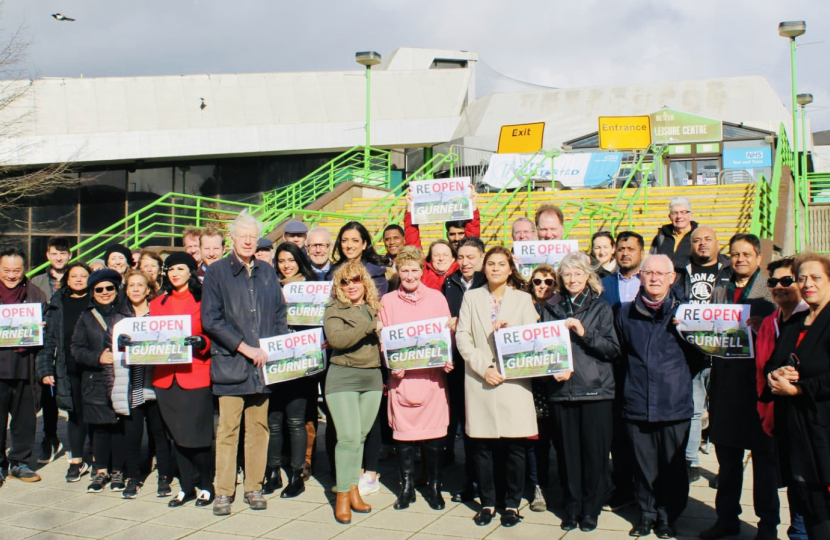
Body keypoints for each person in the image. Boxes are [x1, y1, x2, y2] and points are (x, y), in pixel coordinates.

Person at [202, 210, 288, 515]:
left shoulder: (266, 272)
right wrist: (245, 348)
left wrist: (277, 347)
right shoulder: (216, 273)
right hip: (231, 363)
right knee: (227, 429)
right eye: (243, 236)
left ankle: (254, 486)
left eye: (253, 236)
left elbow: (279, 315)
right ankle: (223, 491)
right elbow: (210, 320)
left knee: (258, 428)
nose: (249, 241)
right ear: (232, 240)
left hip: (262, 368)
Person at [455, 246, 539, 528]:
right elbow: (463, 337)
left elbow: (532, 340)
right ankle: (488, 502)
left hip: (513, 381)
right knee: (483, 447)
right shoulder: (471, 297)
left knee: (515, 447)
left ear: (509, 269)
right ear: (483, 267)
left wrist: (510, 332)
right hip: (481, 380)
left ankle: (512, 504)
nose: (495, 268)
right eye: (490, 263)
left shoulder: (524, 299)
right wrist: (484, 367)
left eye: (501, 264)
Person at [702, 233, 778, 540]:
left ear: (759, 258)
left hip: (758, 389)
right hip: (725, 387)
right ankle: (726, 519)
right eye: (735, 254)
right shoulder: (720, 287)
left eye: (747, 254)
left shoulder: (771, 292)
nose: (740, 259)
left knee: (764, 465)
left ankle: (767, 526)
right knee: (728, 462)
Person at [615, 254, 695, 539]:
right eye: (649, 273)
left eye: (661, 273)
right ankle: (646, 514)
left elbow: (698, 357)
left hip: (673, 402)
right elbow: (620, 353)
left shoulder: (685, 313)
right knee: (643, 465)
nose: (655, 278)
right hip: (637, 401)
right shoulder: (624, 313)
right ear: (640, 276)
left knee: (671, 468)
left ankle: (667, 517)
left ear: (672, 278)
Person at [544, 252, 620, 532]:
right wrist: (551, 368)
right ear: (561, 279)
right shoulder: (550, 307)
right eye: (567, 274)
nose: (573, 279)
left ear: (588, 276)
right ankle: (571, 506)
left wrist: (584, 332)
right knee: (567, 455)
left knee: (594, 455)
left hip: (595, 392)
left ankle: (591, 509)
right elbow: (542, 349)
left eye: (578, 273)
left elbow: (612, 349)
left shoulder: (601, 307)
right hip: (562, 391)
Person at [378, 246, 453, 511]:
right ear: (397, 271)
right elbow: (383, 338)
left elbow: (446, 335)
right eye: (404, 270)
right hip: (403, 380)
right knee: (404, 436)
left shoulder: (436, 298)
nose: (409, 275)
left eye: (414, 270)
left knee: (434, 437)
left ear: (423, 270)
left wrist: (446, 356)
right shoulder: (387, 301)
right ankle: (406, 488)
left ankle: (434, 487)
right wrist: (391, 363)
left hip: (431, 379)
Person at [764, 253, 830, 539]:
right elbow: (773, 361)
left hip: (823, 429)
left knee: (823, 507)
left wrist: (799, 388)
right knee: (804, 500)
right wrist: (774, 375)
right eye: (802, 278)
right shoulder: (797, 320)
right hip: (795, 428)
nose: (807, 283)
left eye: (815, 277)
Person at [150, 253, 215, 508]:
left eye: (181, 268)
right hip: (166, 379)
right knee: (176, 436)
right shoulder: (158, 303)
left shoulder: (203, 299)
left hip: (195, 375)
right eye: (170, 269)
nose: (175, 273)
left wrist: (203, 342)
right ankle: (187, 486)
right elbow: (149, 339)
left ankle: (206, 484)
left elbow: (214, 333)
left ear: (192, 271)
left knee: (198, 436)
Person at [323, 261, 383, 524]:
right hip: (343, 376)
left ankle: (355, 490)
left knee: (359, 437)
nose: (351, 286)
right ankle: (342, 495)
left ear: (364, 282)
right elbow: (337, 340)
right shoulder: (334, 308)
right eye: (344, 282)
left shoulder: (375, 307)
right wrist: (370, 326)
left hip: (371, 376)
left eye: (356, 280)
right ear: (338, 286)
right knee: (347, 438)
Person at [756, 257, 809, 540]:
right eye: (773, 282)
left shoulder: (812, 321)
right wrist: (764, 410)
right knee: (790, 483)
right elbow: (760, 372)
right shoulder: (769, 322)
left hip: (806, 419)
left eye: (786, 281)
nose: (779, 286)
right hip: (776, 417)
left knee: (806, 489)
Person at [674, 226, 730, 483]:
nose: (703, 244)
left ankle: (725, 467)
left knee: (722, 412)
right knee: (694, 411)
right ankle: (691, 462)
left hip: (723, 353)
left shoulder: (729, 270)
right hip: (691, 351)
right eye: (697, 240)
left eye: (708, 239)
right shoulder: (679, 271)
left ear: (718, 243)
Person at [112, 270, 174, 499]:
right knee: (132, 434)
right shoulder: (120, 318)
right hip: (131, 385)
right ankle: (133, 477)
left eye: (140, 285)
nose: (136, 289)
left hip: (155, 384)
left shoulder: (159, 315)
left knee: (159, 433)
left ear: (148, 289)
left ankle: (164, 477)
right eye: (131, 286)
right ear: (126, 290)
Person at [263, 241, 318, 498]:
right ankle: (272, 472)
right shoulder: (268, 286)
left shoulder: (312, 287)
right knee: (274, 421)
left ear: (300, 261)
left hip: (301, 361)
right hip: (274, 362)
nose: (286, 266)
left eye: (291, 261)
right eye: (282, 261)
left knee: (296, 420)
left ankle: (297, 475)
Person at [71, 268, 127, 493]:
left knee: (120, 427)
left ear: (116, 289)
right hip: (95, 380)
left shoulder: (125, 314)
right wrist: (97, 357)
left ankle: (118, 470)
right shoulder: (86, 316)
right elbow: (76, 348)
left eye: (109, 288)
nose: (104, 292)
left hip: (122, 378)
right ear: (92, 293)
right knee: (100, 429)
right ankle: (100, 469)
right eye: (99, 289)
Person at [600, 231, 644, 511]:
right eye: (621, 249)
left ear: (642, 252)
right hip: (612, 367)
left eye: (631, 248)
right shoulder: (603, 284)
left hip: (642, 366)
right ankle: (623, 486)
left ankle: (645, 489)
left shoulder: (651, 281)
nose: (625, 253)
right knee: (617, 432)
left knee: (640, 433)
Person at [440, 236, 486, 503]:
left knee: (484, 428)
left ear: (481, 257)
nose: (466, 262)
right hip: (458, 365)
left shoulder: (489, 281)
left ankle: (489, 483)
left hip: (483, 364)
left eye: (471, 257)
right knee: (467, 428)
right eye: (462, 257)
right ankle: (471, 482)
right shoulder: (450, 282)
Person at [37, 261, 91, 482]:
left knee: (98, 414)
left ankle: (99, 460)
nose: (79, 279)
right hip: (69, 368)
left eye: (83, 275)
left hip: (96, 367)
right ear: (67, 279)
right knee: (75, 414)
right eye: (74, 276)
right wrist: (46, 369)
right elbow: (48, 341)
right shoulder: (57, 304)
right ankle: (76, 460)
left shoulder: (98, 299)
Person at [0, 247, 47, 484]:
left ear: (24, 270)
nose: (11, 275)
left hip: (26, 368)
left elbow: (48, 335)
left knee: (25, 419)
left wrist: (42, 327)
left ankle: (19, 462)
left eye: (16, 270)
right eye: (6, 270)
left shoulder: (36, 295)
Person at [31, 237, 71, 465]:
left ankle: (77, 441)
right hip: (43, 344)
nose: (59, 257)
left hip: (67, 343)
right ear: (47, 255)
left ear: (69, 256)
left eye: (63, 253)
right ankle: (49, 436)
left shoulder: (76, 277)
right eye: (55, 253)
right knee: (47, 392)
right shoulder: (36, 282)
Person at [526, 264, 557, 513]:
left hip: (559, 384)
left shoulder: (561, 308)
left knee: (561, 439)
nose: (543, 286)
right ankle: (538, 485)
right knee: (537, 439)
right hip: (533, 385)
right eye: (537, 281)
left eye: (548, 281)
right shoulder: (525, 308)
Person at [404, 186, 481, 250]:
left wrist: (473, 205)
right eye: (452, 234)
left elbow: (472, 237)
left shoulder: (469, 263)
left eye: (461, 233)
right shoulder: (436, 263)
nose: (457, 238)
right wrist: (410, 208)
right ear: (447, 235)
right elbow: (414, 250)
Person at [333, 221, 389, 296]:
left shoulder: (376, 272)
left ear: (364, 244)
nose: (349, 245)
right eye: (344, 241)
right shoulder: (333, 272)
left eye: (355, 241)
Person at [649, 196, 699, 269]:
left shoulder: (698, 236)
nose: (679, 216)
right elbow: (652, 260)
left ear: (691, 215)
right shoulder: (661, 237)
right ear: (670, 217)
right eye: (675, 213)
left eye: (683, 212)